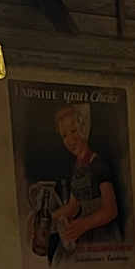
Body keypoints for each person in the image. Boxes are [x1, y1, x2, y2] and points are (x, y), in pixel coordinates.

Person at [47, 102, 122, 252]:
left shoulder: (99, 165)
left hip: (102, 236)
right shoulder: (77, 168)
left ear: (85, 129)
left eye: (74, 131)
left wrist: (84, 224)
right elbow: (73, 207)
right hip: (83, 234)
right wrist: (48, 219)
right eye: (64, 135)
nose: (70, 140)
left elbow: (111, 210)